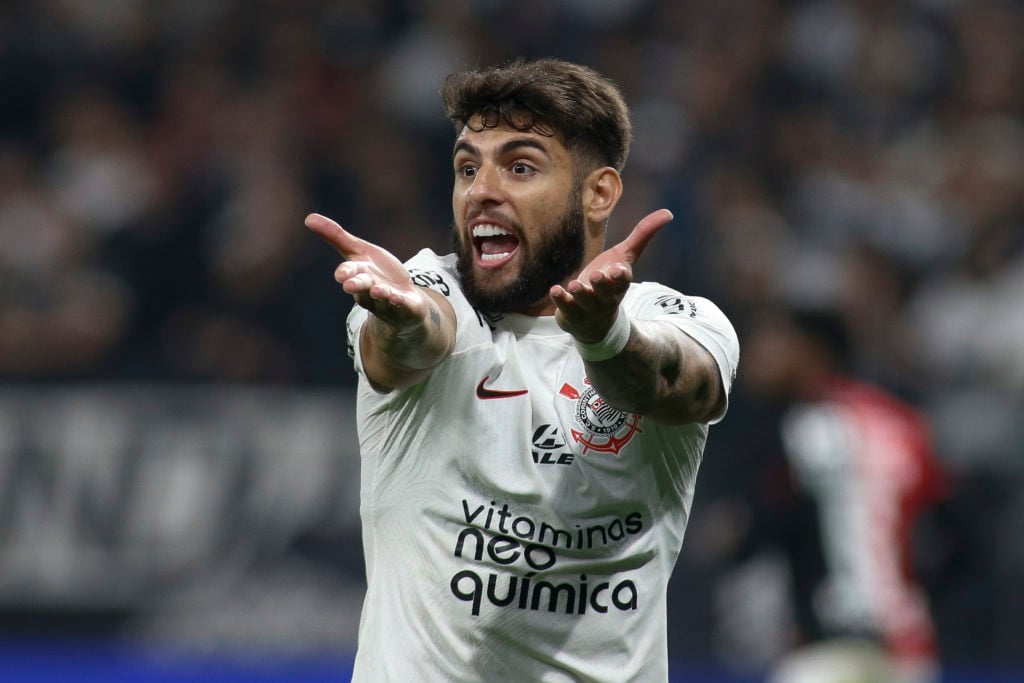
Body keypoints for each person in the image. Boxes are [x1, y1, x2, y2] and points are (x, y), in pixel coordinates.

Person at [306, 58, 739, 681]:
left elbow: (675, 383)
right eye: (467, 167)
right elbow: (409, 340)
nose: (482, 188)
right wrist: (401, 321)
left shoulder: (669, 316)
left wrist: (604, 337)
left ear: (599, 194)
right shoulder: (424, 287)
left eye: (520, 166)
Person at [730, 306, 947, 683]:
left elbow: (774, 525)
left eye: (776, 341)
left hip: (832, 645)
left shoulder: (807, 425)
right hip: (909, 644)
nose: (758, 354)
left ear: (813, 353)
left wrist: (735, 534)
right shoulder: (901, 421)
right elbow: (957, 534)